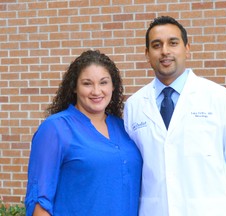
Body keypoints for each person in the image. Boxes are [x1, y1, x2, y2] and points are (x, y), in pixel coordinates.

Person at [124, 16, 226, 216]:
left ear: (187, 48)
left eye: (173, 43)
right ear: (147, 54)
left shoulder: (220, 98)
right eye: (156, 45)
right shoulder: (134, 106)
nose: (165, 51)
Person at [25, 50, 142, 216]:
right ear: (74, 87)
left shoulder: (124, 128)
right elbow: (39, 201)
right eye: (87, 83)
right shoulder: (55, 128)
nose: (96, 91)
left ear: (113, 86)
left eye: (103, 83)